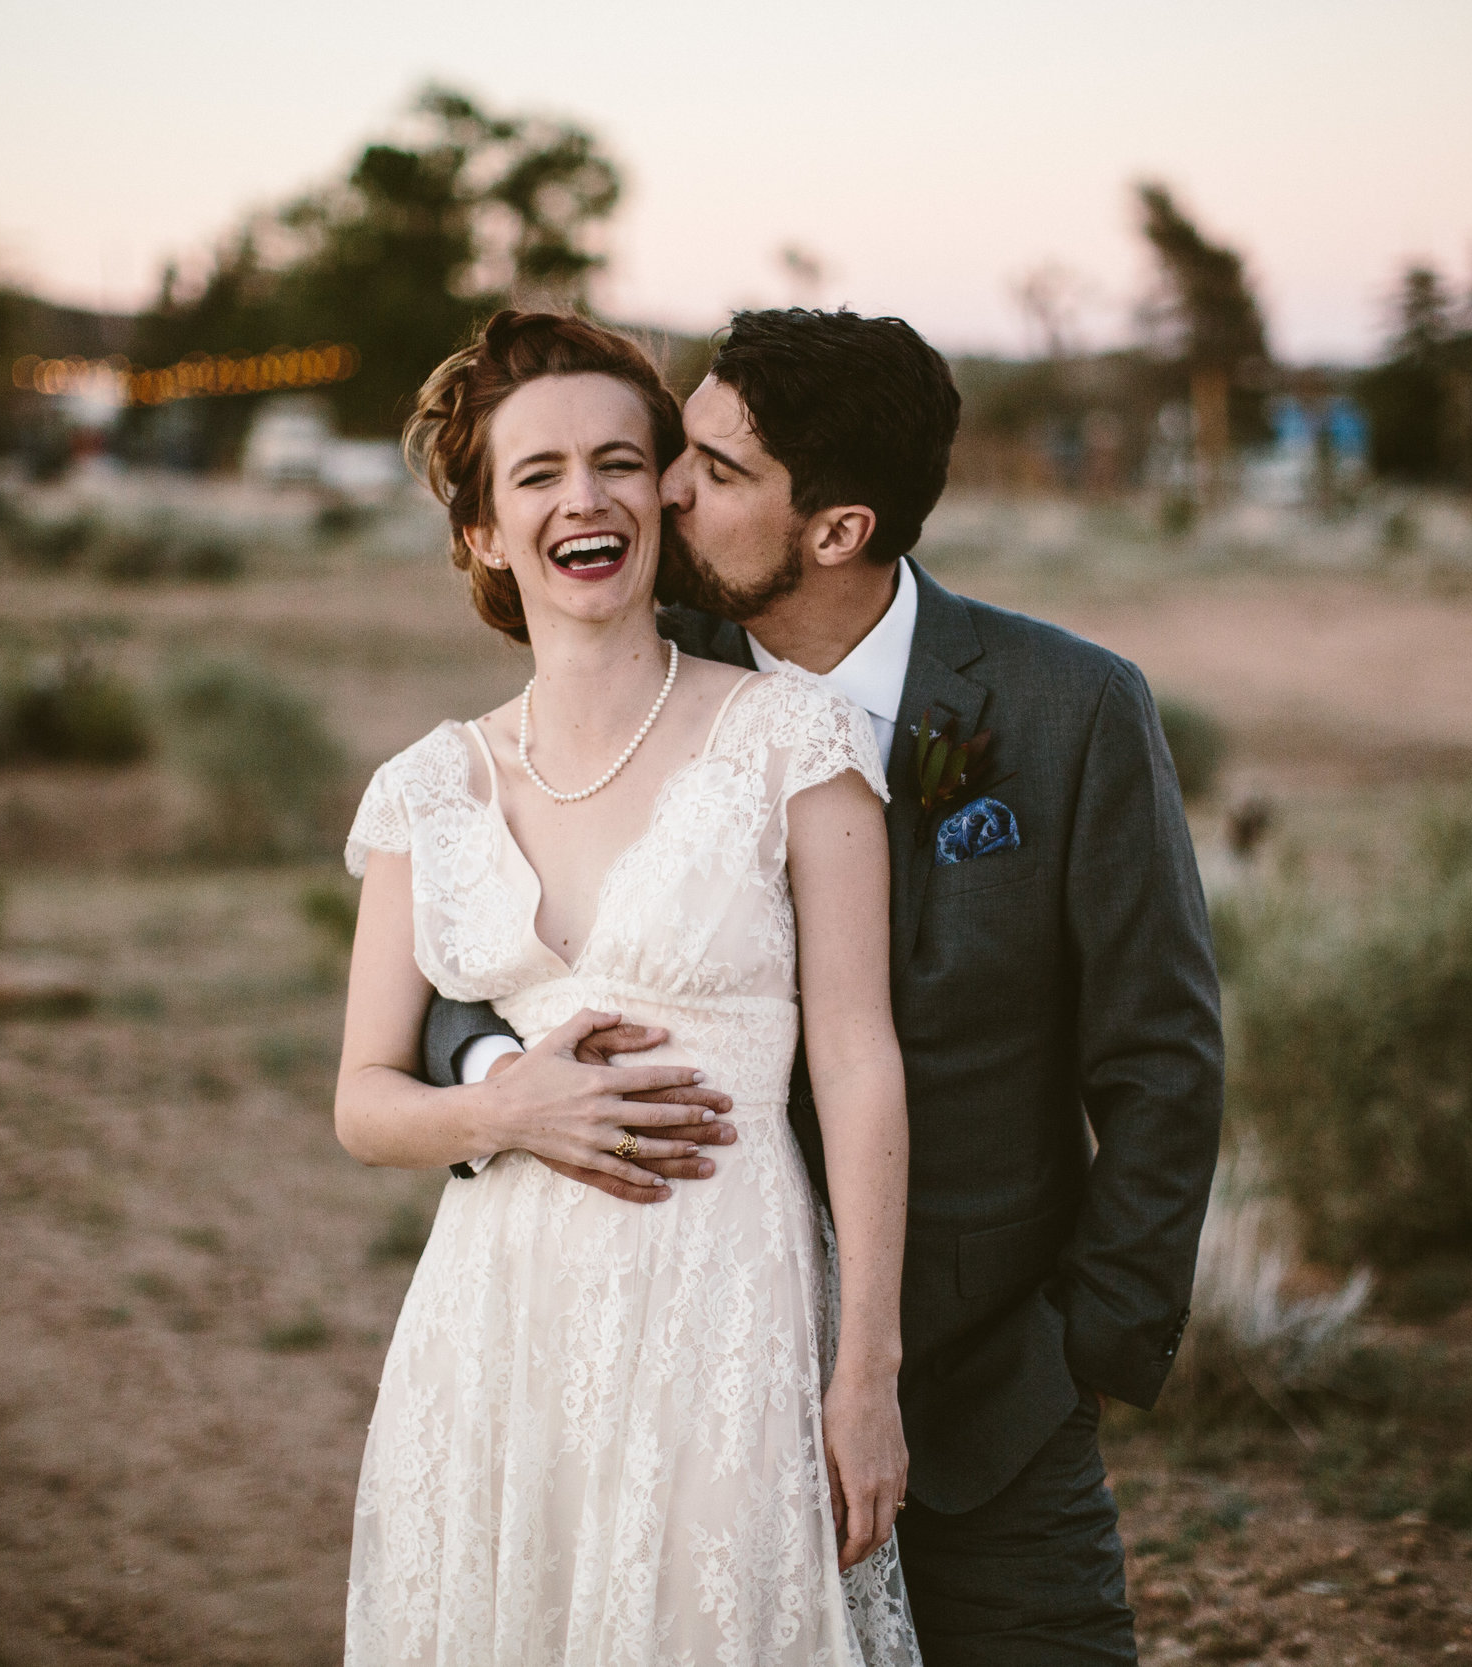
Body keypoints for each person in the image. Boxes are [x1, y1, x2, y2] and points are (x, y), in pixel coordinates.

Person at [426, 309, 1225, 1665]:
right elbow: (479, 957)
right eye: (681, 447)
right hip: (674, 1396)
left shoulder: (1067, 709)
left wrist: (1084, 1348)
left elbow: (1161, 1055)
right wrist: (500, 1082)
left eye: (719, 472)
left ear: (839, 530)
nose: (666, 487)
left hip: (988, 1397)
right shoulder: (638, 669)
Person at [331, 309, 921, 1665]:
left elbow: (858, 1055)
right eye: (536, 475)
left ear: (662, 492)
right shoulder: (429, 788)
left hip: (733, 1324)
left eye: (615, 461)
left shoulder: (792, 741)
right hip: (498, 1335)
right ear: (483, 530)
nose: (582, 499)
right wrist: (504, 1113)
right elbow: (365, 1099)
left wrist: (866, 1370)